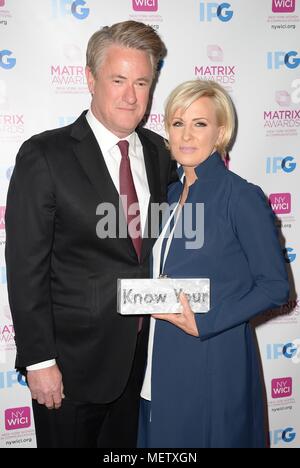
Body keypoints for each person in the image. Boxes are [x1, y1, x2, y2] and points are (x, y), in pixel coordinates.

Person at [5, 21, 177, 448]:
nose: (132, 96)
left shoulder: (160, 153)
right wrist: (40, 361)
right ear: (89, 78)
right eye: (118, 80)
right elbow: (25, 268)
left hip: (139, 362)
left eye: (142, 82)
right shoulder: (45, 155)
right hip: (69, 369)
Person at [138, 79, 290, 448]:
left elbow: (276, 286)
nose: (186, 134)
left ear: (221, 131)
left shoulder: (241, 196)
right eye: (177, 123)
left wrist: (206, 321)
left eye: (199, 123)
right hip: (153, 366)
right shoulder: (167, 196)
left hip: (211, 360)